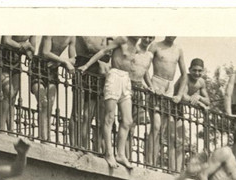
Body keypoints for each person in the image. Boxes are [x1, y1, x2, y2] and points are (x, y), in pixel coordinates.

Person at [78, 36, 152, 170]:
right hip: (114, 76)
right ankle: (109, 153)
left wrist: (148, 85)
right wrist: (86, 65)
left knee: (128, 121)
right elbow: (103, 51)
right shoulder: (122, 39)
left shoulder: (138, 47)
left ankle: (120, 154)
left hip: (126, 80)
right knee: (110, 117)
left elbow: (141, 69)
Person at [146, 37, 186, 170]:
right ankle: (149, 162)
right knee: (156, 126)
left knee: (162, 129)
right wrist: (151, 86)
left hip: (169, 87)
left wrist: (179, 94)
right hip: (157, 81)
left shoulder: (178, 49)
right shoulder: (155, 45)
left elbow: (184, 74)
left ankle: (154, 162)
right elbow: (144, 66)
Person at [31, 36, 75, 143]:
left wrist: (60, 62)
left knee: (49, 105)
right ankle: (43, 138)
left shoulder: (71, 36)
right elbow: (46, 52)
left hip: (53, 69)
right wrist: (64, 62)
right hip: (39, 66)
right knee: (43, 102)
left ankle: (46, 138)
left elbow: (73, 59)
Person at [72, 37, 111, 151]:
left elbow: (107, 55)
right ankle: (75, 146)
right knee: (77, 113)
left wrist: (103, 50)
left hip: (96, 73)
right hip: (82, 68)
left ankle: (85, 147)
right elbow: (90, 46)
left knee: (88, 115)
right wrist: (103, 49)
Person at [0, 36, 35, 132]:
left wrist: (28, 46)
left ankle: (11, 129)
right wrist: (23, 46)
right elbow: (6, 40)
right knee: (8, 92)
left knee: (13, 97)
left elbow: (33, 48)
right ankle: (1, 129)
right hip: (2, 59)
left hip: (16, 63)